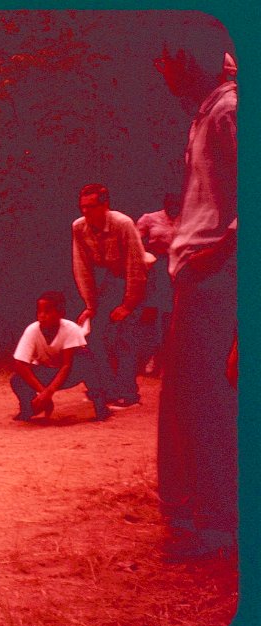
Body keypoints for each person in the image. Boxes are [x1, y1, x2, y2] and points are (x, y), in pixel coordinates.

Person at [155, 48, 238, 561]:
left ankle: (213, 527)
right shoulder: (205, 114)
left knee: (201, 404)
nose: (162, 73)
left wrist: (221, 249)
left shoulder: (229, 111)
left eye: (167, 61)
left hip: (214, 275)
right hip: (196, 270)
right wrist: (173, 233)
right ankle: (194, 519)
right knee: (186, 401)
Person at [71, 184, 147, 409]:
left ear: (105, 206)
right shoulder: (79, 227)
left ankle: (128, 394)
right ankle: (104, 388)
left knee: (125, 337)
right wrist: (90, 304)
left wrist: (128, 305)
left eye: (92, 206)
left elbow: (136, 264)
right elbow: (81, 266)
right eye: (83, 207)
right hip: (109, 280)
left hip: (134, 279)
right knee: (95, 337)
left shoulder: (122, 224)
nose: (86, 211)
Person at [10, 291, 111, 422]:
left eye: (47, 311)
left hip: (68, 374)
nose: (42, 316)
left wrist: (48, 392)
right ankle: (28, 408)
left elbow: (66, 365)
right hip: (47, 373)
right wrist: (43, 394)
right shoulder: (32, 330)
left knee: (88, 361)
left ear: (60, 313)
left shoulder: (71, 329)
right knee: (17, 379)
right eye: (39, 311)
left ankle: (101, 406)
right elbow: (20, 364)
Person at [136, 194, 181, 375]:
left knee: (171, 317)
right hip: (157, 268)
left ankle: (165, 360)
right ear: (164, 204)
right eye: (170, 204)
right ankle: (146, 357)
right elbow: (134, 241)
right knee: (150, 314)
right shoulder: (150, 218)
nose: (173, 208)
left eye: (176, 204)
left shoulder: (186, 218)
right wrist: (145, 258)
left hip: (179, 268)